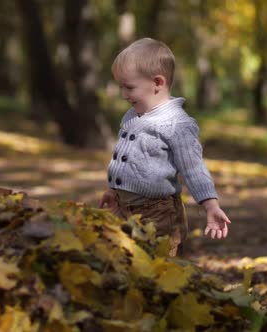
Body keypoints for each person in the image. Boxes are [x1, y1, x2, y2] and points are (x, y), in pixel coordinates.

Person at [99, 38, 231, 257]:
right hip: (124, 209)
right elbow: (126, 159)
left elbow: (194, 169)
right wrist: (115, 191)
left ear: (158, 83)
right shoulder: (132, 115)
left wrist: (211, 205)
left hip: (158, 214)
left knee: (160, 265)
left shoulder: (177, 123)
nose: (124, 94)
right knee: (125, 259)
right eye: (121, 86)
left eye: (129, 87)